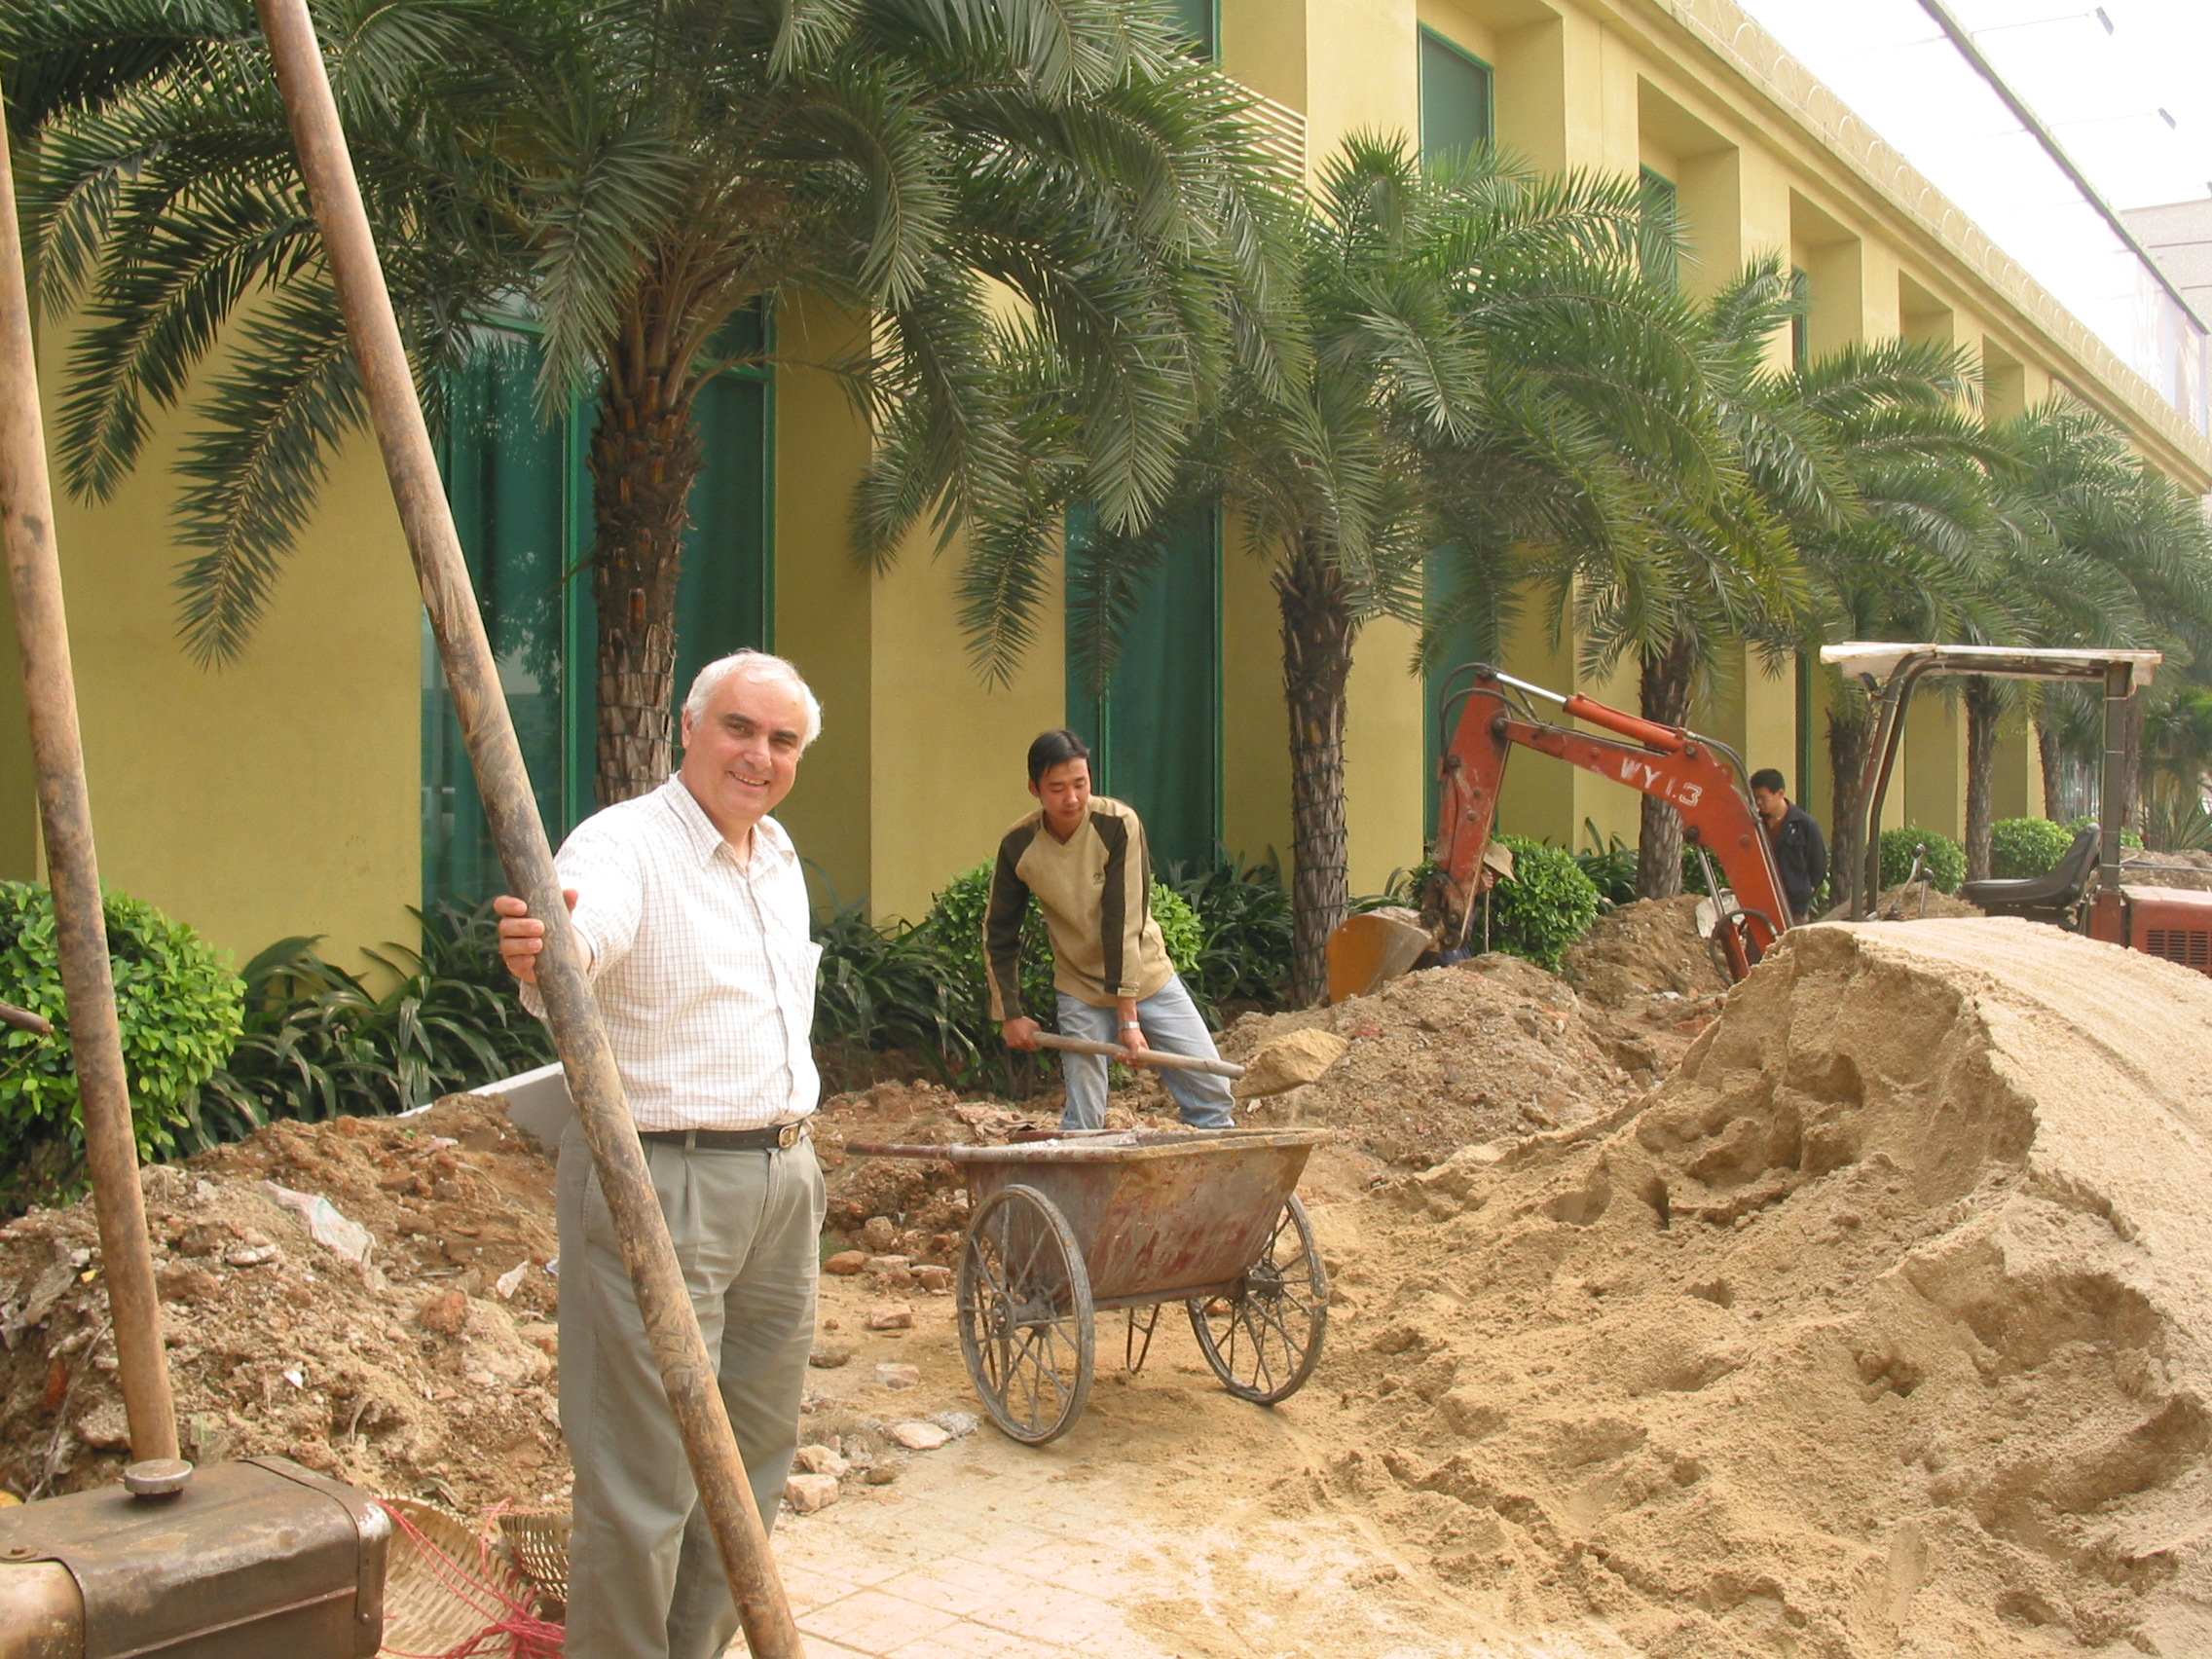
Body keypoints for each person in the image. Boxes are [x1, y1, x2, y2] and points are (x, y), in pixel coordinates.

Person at [493, 649, 825, 1659]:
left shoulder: (778, 856)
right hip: (660, 1185)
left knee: (753, 1466)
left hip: (782, 1183)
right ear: (689, 727)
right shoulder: (625, 845)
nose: (757, 755)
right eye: (739, 728)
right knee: (646, 1484)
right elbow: (577, 935)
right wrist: (552, 951)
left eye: (782, 740)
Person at [989, 729, 1235, 1132]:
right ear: (1035, 789)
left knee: (1211, 1088)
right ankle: (1080, 1186)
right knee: (1084, 1117)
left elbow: (1123, 919)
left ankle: (1217, 1175)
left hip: (1147, 976)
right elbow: (999, 931)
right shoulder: (1019, 844)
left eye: (1080, 784)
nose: (1071, 799)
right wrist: (1010, 1014)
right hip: (1079, 986)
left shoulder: (1117, 824)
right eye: (1057, 788)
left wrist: (1129, 1019)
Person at [1750, 767, 1827, 925]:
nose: (1758, 802)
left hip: (1793, 907)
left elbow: (1818, 864)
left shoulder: (1805, 825)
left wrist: (1805, 890)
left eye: (1763, 797)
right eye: (1755, 798)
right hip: (1761, 903)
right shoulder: (1755, 824)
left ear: (1780, 793)